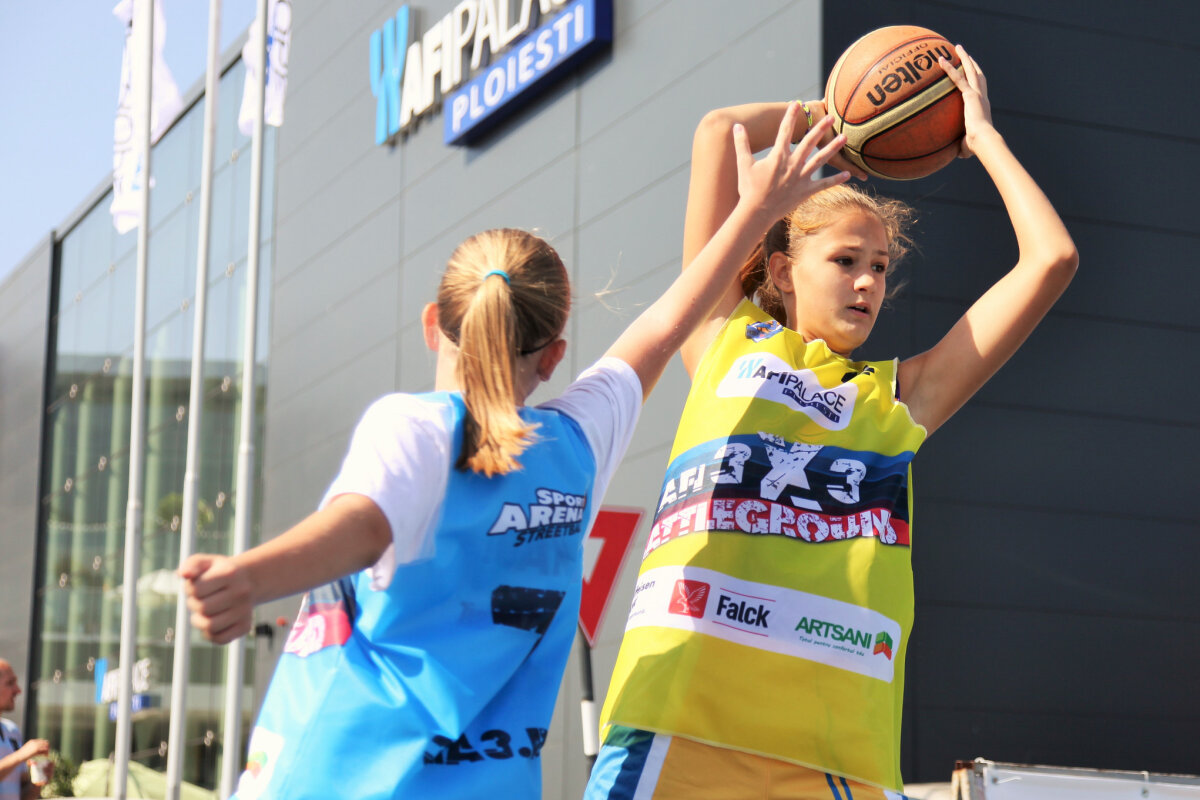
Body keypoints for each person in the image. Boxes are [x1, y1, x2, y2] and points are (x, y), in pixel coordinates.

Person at [181, 102, 850, 800]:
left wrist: (252, 576)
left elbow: (360, 526)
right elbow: (666, 319)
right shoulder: (577, 448)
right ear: (555, 355)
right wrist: (755, 209)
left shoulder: (416, 428)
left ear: (435, 324)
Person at [586, 47, 1078, 800]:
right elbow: (719, 131)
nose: (868, 282)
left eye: (880, 268)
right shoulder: (723, 339)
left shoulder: (898, 399)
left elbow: (1052, 259)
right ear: (782, 270)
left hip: (833, 751)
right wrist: (844, 120)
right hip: (680, 722)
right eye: (847, 260)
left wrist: (980, 137)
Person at [0, 659, 52, 800]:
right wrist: (21, 755)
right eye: (10, 683)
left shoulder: (12, 731)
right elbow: (20, 756)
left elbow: (22, 796)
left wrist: (38, 780)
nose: (18, 690)